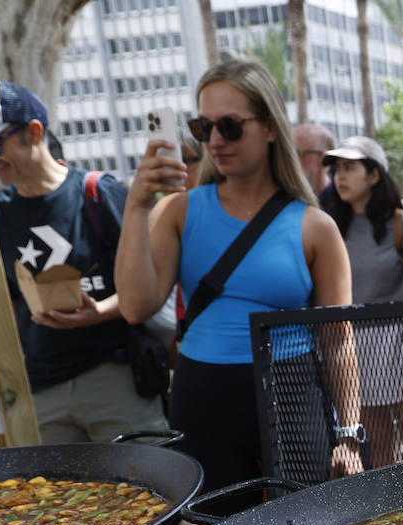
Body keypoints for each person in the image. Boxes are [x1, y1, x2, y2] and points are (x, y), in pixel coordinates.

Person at [115, 60, 362, 497]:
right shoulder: (178, 210)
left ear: (269, 127)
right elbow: (136, 305)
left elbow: (338, 338)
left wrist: (349, 434)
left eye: (229, 126)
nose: (213, 140)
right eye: (201, 126)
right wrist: (136, 204)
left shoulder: (314, 226)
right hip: (203, 392)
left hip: (292, 388)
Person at [0, 78, 166, 442]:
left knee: (150, 490)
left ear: (34, 131)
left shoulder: (97, 191)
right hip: (41, 388)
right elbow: (4, 308)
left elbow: (152, 287)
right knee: (53, 499)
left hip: (115, 376)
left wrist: (100, 312)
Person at [323, 135, 403, 466]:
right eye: (337, 168)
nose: (340, 176)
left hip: (398, 342)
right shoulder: (330, 226)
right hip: (352, 346)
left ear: (374, 175)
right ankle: (396, 518)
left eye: (350, 167)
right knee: (377, 443)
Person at [293, 122, 336, 205]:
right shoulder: (286, 199)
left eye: (298, 153)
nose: (291, 160)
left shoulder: (344, 203)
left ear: (324, 158)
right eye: (289, 154)